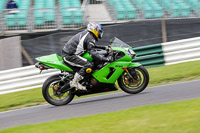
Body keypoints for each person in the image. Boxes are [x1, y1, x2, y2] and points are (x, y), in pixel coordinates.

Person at [62, 22, 111, 90]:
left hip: (70, 53)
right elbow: (93, 53)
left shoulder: (88, 35)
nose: (100, 33)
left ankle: (84, 80)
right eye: (99, 31)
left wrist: (105, 48)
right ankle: (75, 82)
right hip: (70, 55)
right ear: (94, 29)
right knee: (89, 64)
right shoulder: (90, 38)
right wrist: (105, 59)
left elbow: (92, 46)